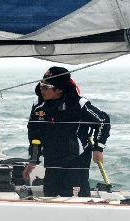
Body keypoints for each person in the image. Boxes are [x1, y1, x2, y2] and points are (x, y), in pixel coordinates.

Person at [22, 66, 110, 197]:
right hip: (52, 158)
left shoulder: (79, 104)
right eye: (41, 84)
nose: (41, 89)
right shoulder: (38, 104)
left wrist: (98, 148)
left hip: (76, 160)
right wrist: (33, 159)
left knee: (76, 199)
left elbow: (103, 121)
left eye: (46, 87)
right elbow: (34, 132)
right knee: (50, 197)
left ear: (59, 90)